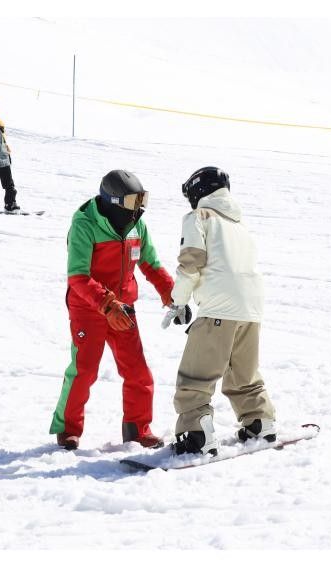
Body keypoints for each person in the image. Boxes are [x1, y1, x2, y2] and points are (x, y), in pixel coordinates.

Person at [49, 170, 175, 450]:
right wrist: (106, 304)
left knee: (138, 371)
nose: (138, 209)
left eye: (143, 200)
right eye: (133, 201)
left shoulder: (135, 226)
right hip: (89, 308)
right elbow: (78, 276)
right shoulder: (85, 224)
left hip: (123, 309)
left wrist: (171, 293)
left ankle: (137, 429)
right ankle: (67, 429)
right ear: (114, 201)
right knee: (84, 370)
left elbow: (151, 264)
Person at [164, 166, 276, 456]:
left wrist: (178, 301)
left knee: (196, 376)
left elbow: (191, 263)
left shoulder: (199, 217)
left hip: (218, 309)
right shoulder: (240, 225)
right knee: (243, 372)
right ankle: (259, 421)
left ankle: (196, 435)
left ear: (198, 191)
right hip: (251, 309)